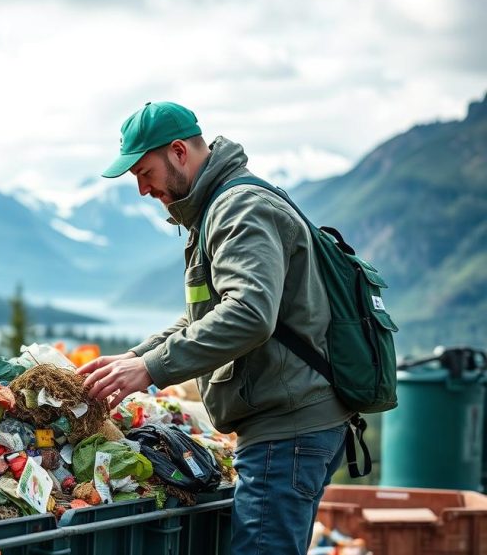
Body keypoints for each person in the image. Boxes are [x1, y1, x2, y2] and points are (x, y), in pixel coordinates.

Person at [77, 101, 353, 554]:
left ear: (179, 152)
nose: (143, 190)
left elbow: (248, 313)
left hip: (287, 429)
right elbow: (204, 317)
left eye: (145, 173)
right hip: (292, 424)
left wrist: (151, 369)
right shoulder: (219, 206)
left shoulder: (238, 209)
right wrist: (135, 357)